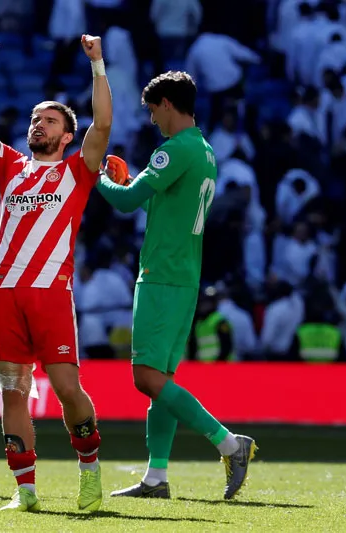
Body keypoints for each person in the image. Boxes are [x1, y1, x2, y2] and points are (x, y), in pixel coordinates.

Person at [0, 35, 112, 513]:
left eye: (49, 120)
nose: (38, 124)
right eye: (34, 119)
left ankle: (89, 475)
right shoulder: (10, 166)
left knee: (67, 388)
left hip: (50, 294)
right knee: (12, 392)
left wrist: (98, 65)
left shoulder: (77, 171)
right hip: (4, 294)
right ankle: (25, 490)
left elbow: (103, 122)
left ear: (67, 135)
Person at [96, 71, 257, 500]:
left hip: (162, 276)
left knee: (145, 377)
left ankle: (229, 443)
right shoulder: (204, 151)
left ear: (167, 102)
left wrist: (97, 175)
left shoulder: (173, 149)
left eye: (152, 109)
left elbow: (127, 203)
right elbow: (155, 200)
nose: (151, 119)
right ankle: (156, 477)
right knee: (161, 380)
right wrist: (128, 179)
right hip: (184, 277)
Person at [187, 286, 235, 362]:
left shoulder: (220, 321)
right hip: (204, 367)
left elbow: (226, 347)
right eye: (202, 303)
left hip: (220, 366)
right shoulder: (199, 323)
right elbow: (194, 347)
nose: (204, 306)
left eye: (207, 303)